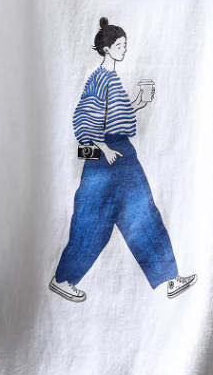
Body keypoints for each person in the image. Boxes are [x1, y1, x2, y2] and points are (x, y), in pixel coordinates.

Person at [50, 17, 198, 301]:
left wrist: (140, 102)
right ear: (107, 49)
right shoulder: (99, 79)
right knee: (92, 221)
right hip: (104, 159)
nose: (124, 49)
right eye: (120, 45)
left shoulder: (112, 80)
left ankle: (169, 278)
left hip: (123, 155)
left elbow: (113, 117)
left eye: (125, 45)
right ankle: (64, 279)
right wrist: (103, 148)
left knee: (143, 212)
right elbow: (84, 119)